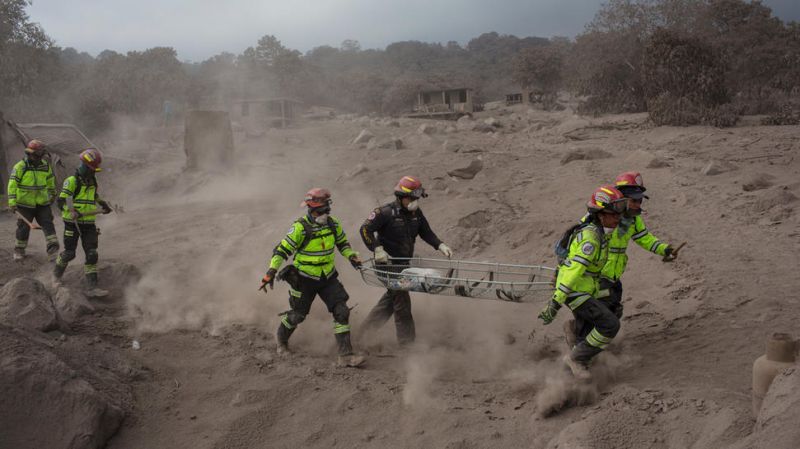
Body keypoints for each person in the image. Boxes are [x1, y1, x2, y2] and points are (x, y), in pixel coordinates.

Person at [260, 188, 365, 367]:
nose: (327, 211)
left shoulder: (333, 224)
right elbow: (281, 251)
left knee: (342, 311)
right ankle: (281, 341)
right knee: (298, 316)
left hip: (328, 277)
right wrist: (270, 273)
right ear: (312, 208)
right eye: (323, 208)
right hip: (304, 279)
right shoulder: (300, 228)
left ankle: (345, 356)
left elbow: (343, 244)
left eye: (327, 207)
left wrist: (351, 256)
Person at [538, 185, 627, 381]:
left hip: (586, 289)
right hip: (575, 291)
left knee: (607, 314)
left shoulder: (599, 233)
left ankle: (567, 377)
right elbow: (573, 271)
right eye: (614, 213)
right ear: (600, 214)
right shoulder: (591, 238)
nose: (619, 217)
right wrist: (555, 303)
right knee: (610, 325)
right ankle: (576, 359)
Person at [359, 176, 453, 346]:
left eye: (417, 198)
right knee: (402, 301)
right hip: (386, 265)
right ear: (401, 196)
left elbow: (426, 232)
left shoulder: (416, 214)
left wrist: (440, 245)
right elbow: (365, 229)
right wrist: (377, 249)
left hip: (403, 265)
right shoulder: (384, 213)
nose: (415, 202)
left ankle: (362, 335)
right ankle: (407, 346)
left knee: (390, 300)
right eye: (412, 198)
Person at [597, 171, 678, 318]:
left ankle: (589, 335)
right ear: (621, 197)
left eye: (640, 200)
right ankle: (581, 335)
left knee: (614, 308)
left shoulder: (633, 218)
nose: (637, 204)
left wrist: (664, 249)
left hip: (614, 274)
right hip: (597, 274)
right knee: (602, 309)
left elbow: (644, 238)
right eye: (634, 200)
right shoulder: (604, 215)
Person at [53, 148, 112, 293]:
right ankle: (55, 277)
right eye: (92, 169)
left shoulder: (93, 181)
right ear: (84, 166)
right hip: (72, 224)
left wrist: (102, 203)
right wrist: (71, 211)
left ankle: (92, 288)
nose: (93, 172)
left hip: (89, 224)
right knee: (69, 253)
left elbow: (94, 196)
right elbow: (61, 202)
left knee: (92, 254)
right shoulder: (71, 181)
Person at [7, 139, 59, 260]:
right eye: (30, 154)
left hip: (42, 203)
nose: (32, 156)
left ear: (41, 155)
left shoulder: (45, 166)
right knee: (23, 227)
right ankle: (19, 251)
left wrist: (52, 194)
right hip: (24, 204)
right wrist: (12, 203)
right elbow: (12, 185)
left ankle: (53, 252)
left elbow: (50, 180)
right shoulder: (20, 166)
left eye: (35, 154)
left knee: (48, 224)